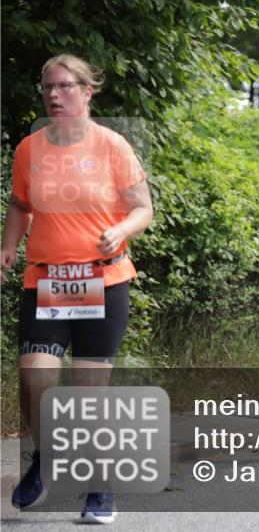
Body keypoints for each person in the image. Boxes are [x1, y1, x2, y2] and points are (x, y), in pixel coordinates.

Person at [2, 55, 154, 523]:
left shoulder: (112, 146)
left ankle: (100, 487)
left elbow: (143, 208)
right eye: (47, 86)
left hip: (101, 279)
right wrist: (8, 247)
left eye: (65, 86)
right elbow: (21, 205)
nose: (53, 94)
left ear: (88, 92)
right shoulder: (30, 149)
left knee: (91, 391)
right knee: (35, 377)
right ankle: (45, 460)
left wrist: (122, 230)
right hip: (47, 280)